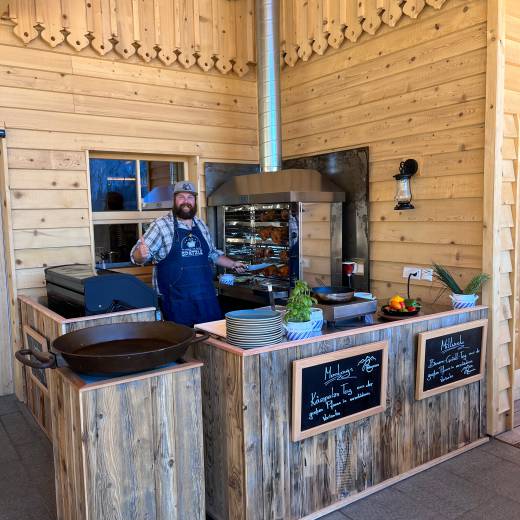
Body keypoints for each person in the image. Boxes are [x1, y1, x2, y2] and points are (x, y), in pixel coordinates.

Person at [131, 181, 246, 326]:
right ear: (174, 200)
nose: (186, 201)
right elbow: (136, 257)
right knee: (184, 344)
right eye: (181, 197)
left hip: (206, 299)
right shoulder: (161, 226)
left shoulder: (200, 224)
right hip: (177, 302)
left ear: (195, 201)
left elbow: (212, 254)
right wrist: (141, 254)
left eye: (190, 197)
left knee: (211, 342)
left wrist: (233, 264)